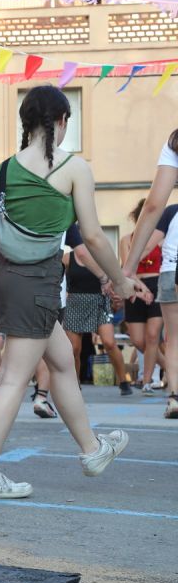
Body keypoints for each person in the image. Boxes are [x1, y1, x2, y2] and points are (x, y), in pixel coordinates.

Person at [0, 85, 142, 498]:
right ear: (62, 121)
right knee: (12, 379)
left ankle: (92, 449)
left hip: (2, 279)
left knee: (62, 362)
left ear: (26, 123)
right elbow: (95, 237)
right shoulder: (74, 169)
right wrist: (118, 280)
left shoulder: (5, 169)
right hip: (37, 283)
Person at [122, 127, 178, 419]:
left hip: (172, 268)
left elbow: (154, 204)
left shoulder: (174, 142)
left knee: (174, 337)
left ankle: (175, 397)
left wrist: (126, 269)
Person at [61, 222, 130, 395]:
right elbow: (56, 278)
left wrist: (117, 294)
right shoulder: (68, 258)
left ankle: (124, 381)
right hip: (75, 303)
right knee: (74, 348)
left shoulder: (102, 256)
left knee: (109, 342)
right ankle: (74, 384)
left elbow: (114, 276)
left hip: (100, 302)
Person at [120, 199, 170, 393]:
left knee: (152, 337)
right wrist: (141, 290)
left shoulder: (161, 239)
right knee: (138, 340)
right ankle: (169, 367)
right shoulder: (126, 239)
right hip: (135, 287)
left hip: (157, 285)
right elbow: (127, 268)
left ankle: (147, 381)